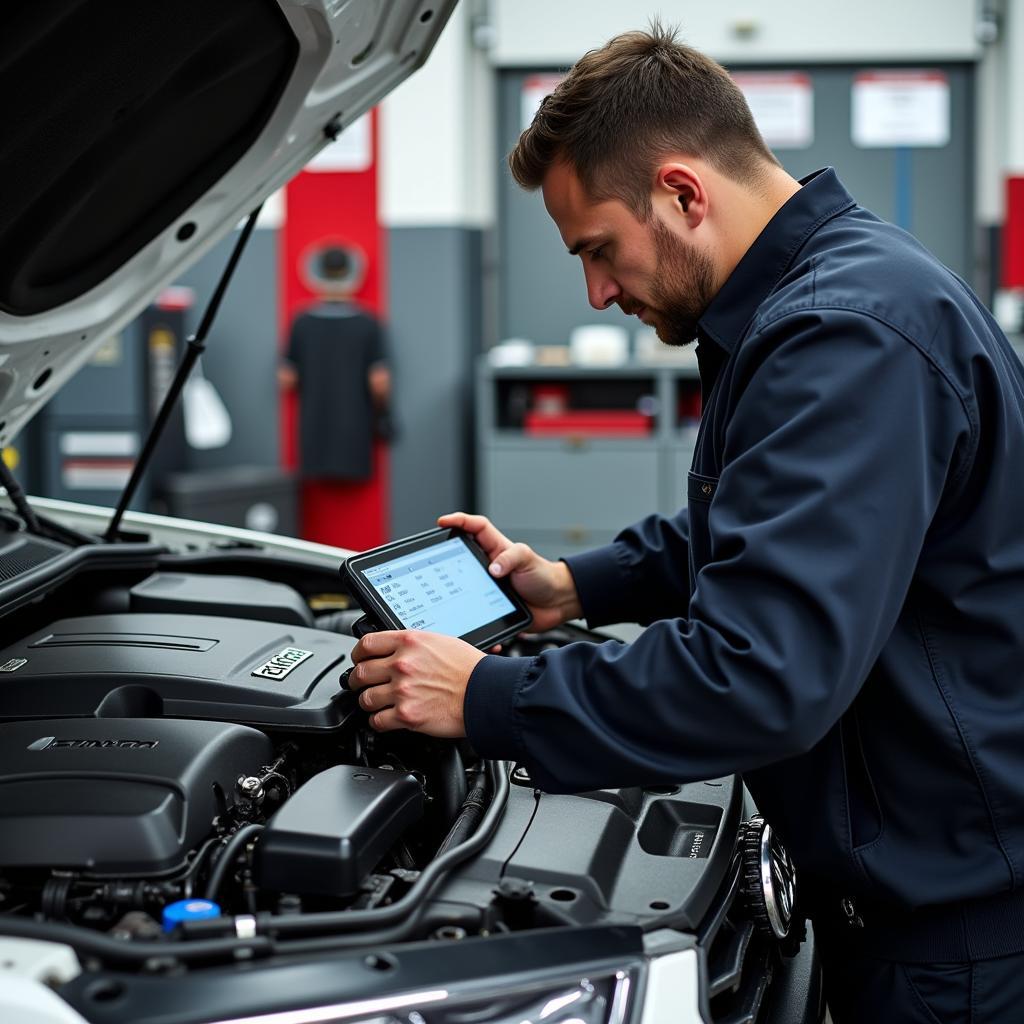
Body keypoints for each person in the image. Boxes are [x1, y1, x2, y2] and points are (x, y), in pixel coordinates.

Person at [348, 23, 1024, 1022]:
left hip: (948, 943)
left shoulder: (843, 337)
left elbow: (759, 675)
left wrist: (489, 695)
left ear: (683, 193)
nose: (598, 289)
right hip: (931, 884)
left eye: (599, 249)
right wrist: (578, 583)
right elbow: (766, 522)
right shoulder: (841, 290)